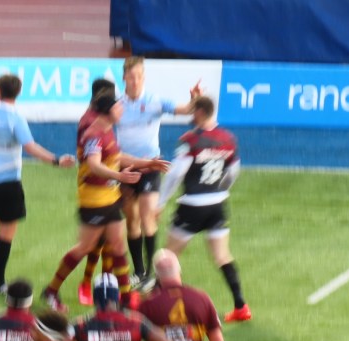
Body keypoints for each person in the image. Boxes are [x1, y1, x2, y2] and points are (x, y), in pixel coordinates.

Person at [41, 91, 169, 313]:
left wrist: (147, 164)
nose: (122, 110)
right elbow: (94, 165)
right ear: (107, 111)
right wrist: (119, 176)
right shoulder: (94, 135)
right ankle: (51, 290)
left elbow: (117, 157)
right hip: (94, 201)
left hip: (110, 199)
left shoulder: (108, 131)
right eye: (118, 107)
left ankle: (126, 299)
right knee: (84, 248)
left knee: (118, 247)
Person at [0, 73, 74, 295]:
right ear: (18, 93)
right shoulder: (16, 119)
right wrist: (56, 161)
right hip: (9, 182)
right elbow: (31, 147)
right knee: (6, 233)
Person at [155, 95, 251, 323]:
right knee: (222, 256)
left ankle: (156, 302)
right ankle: (241, 306)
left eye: (192, 110)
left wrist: (160, 202)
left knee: (168, 255)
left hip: (192, 205)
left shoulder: (190, 140)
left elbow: (176, 173)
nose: (190, 114)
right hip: (217, 204)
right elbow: (233, 171)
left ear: (199, 112)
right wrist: (220, 189)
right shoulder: (228, 138)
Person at [115, 56, 200, 285]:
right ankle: (139, 271)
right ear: (124, 77)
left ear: (144, 77)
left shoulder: (154, 101)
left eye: (139, 76)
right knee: (131, 221)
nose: (135, 81)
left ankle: (151, 275)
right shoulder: (117, 105)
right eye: (131, 77)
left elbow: (186, 110)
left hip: (151, 166)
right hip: (126, 167)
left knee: (147, 218)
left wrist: (194, 98)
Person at [75, 78, 118, 307]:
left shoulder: (103, 121)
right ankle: (86, 283)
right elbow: (91, 160)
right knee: (95, 243)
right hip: (94, 190)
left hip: (109, 188)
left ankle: (106, 283)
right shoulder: (90, 124)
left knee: (110, 242)